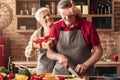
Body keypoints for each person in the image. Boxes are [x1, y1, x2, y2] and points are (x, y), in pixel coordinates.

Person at [45, 0, 103, 76]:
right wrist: (58, 56)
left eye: (70, 15)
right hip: (61, 74)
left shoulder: (88, 26)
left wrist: (85, 65)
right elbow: (49, 52)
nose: (67, 17)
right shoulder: (55, 27)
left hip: (85, 73)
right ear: (60, 14)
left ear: (74, 12)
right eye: (63, 15)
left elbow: (98, 51)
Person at [24, 7, 56, 74]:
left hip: (59, 66)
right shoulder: (37, 33)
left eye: (49, 14)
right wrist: (32, 48)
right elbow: (27, 54)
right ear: (40, 21)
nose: (48, 17)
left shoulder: (59, 28)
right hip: (44, 68)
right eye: (44, 17)